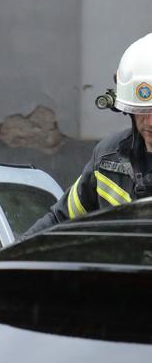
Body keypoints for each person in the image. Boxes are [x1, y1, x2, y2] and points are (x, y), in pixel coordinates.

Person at [20, 33, 152, 239]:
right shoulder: (108, 160)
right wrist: (4, 256)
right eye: (142, 110)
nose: (150, 122)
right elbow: (59, 221)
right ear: (127, 109)